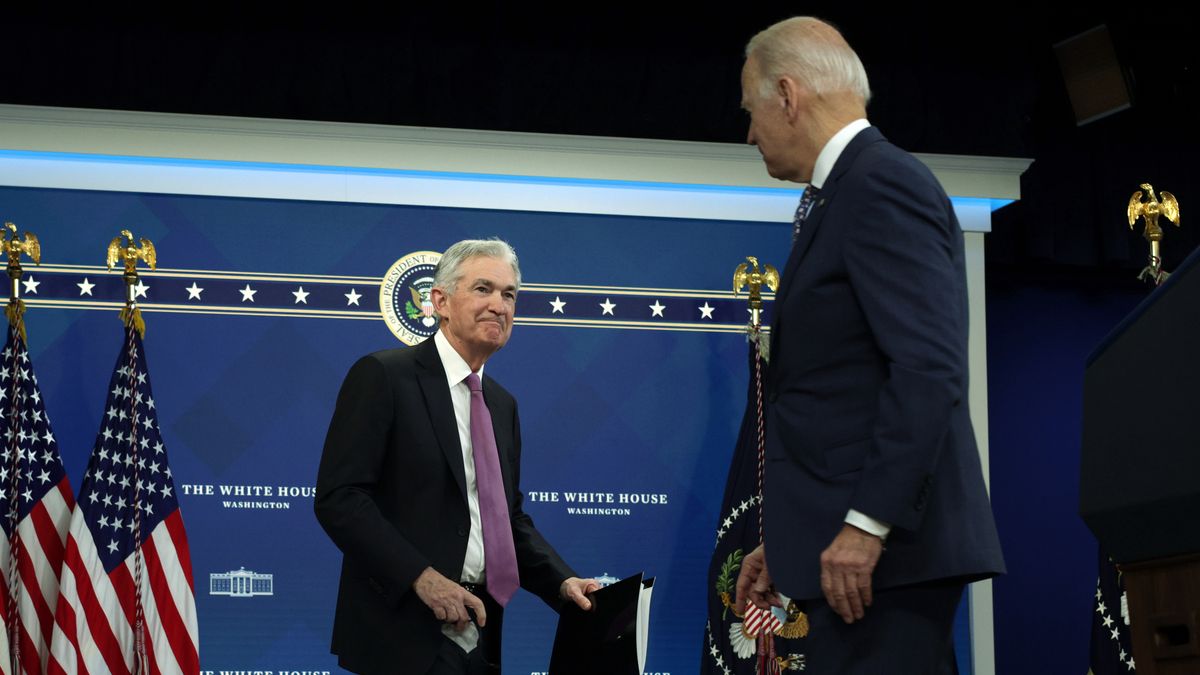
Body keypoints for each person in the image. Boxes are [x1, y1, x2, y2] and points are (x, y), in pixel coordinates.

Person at [732, 17, 1005, 673]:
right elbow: (844, 391)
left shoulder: (879, 184)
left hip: (883, 564)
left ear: (789, 96)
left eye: (752, 110)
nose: (749, 133)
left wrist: (867, 523)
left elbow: (928, 369)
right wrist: (797, 535)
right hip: (853, 562)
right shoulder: (844, 194)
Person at [316, 239, 599, 675]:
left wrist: (563, 581)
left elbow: (507, 520)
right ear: (440, 301)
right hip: (402, 634)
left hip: (482, 629)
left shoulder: (502, 405)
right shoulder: (384, 376)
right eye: (483, 289)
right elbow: (341, 498)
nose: (499, 305)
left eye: (509, 295)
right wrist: (421, 577)